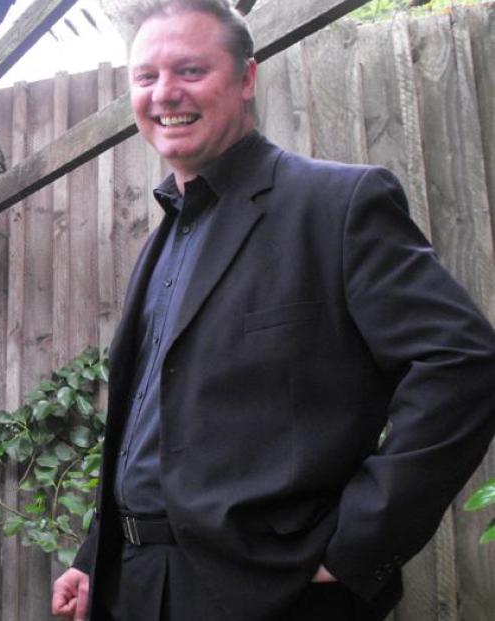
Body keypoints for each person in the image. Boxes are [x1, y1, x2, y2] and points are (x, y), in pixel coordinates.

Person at [51, 1, 495, 619]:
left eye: (189, 70)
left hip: (273, 594)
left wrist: (355, 548)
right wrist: (93, 556)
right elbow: (152, 426)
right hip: (136, 586)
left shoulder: (336, 205)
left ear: (246, 79)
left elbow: (464, 364)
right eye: (146, 77)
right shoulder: (162, 240)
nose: (164, 93)